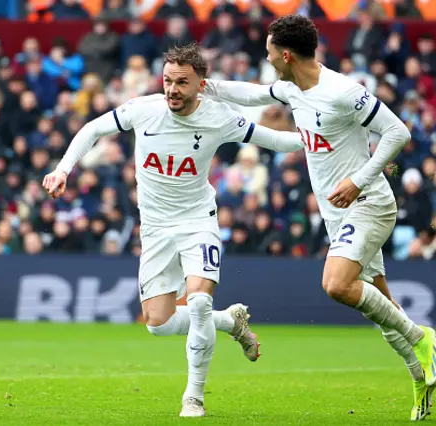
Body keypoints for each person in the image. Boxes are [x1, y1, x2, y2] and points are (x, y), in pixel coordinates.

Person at [42, 43, 304, 418]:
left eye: (182, 82)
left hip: (198, 221)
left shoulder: (219, 117)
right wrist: (63, 169)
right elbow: (93, 128)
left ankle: (193, 397)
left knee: (198, 303)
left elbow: (273, 140)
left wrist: (316, 140)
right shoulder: (143, 110)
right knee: (158, 324)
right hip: (156, 229)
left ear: (201, 84)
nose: (172, 89)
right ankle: (231, 321)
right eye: (167, 80)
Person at [203, 15, 436, 421]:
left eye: (267, 52)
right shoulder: (294, 88)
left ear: (285, 54)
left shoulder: (343, 91)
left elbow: (398, 132)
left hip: (368, 202)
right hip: (339, 215)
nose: (266, 59)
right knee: (379, 303)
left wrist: (359, 178)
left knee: (335, 284)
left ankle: (423, 337)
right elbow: (253, 94)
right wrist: (205, 85)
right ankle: (420, 378)